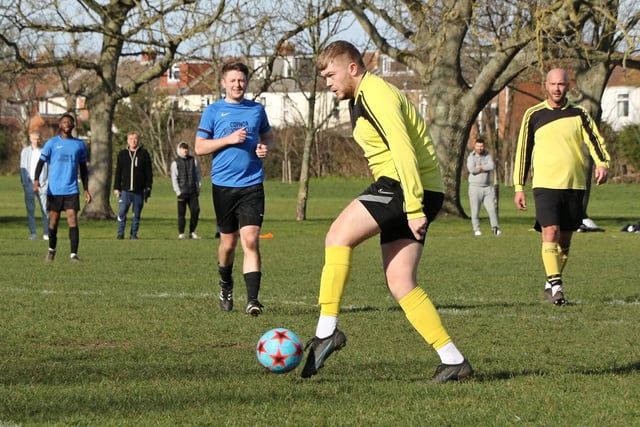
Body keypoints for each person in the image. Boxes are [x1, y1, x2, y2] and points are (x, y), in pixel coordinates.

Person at [300, 40, 473, 383]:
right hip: (418, 191)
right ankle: (453, 360)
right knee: (401, 282)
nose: (328, 82)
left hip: (403, 188)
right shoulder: (361, 97)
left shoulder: (376, 93)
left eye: (331, 75)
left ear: (353, 68)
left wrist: (412, 206)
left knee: (336, 236)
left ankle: (326, 332)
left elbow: (403, 150)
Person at [514, 68, 610, 305]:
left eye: (562, 84)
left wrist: (603, 163)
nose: (557, 88)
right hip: (545, 185)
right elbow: (522, 152)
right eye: (553, 84)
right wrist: (518, 186)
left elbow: (595, 141)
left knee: (564, 240)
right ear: (545, 85)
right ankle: (557, 287)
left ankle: (550, 282)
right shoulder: (533, 115)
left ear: (569, 86)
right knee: (550, 231)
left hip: (574, 185)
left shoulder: (580, 114)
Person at [195, 61, 275, 317]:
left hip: (252, 184)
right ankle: (225, 284)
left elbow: (268, 137)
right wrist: (228, 140)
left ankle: (253, 300)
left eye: (241, 80)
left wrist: (265, 148)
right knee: (228, 244)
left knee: (250, 240)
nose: (237, 85)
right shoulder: (213, 111)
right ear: (223, 83)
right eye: (233, 80)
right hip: (223, 186)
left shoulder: (256, 110)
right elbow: (199, 147)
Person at [33, 113, 91, 262]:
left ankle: (73, 255)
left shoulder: (79, 145)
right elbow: (40, 163)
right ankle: (51, 250)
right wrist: (36, 180)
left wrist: (86, 189)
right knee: (54, 221)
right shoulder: (52, 143)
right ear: (60, 125)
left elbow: (83, 169)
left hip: (71, 189)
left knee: (73, 219)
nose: (66, 124)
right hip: (54, 190)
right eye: (64, 122)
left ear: (73, 125)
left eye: (69, 122)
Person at [113, 131, 153, 240]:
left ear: (138, 140)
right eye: (131, 139)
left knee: (136, 214)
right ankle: (120, 233)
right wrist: (116, 187)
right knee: (122, 212)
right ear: (127, 140)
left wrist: (148, 187)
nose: (133, 141)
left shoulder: (144, 154)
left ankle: (133, 234)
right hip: (125, 190)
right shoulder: (122, 154)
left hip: (139, 191)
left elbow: (149, 172)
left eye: (135, 139)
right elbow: (118, 172)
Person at [466, 136, 501, 236]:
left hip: (487, 188)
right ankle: (476, 229)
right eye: (478, 146)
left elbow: (491, 166)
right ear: (475, 146)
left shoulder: (487, 155)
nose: (480, 148)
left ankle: (495, 228)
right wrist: (484, 168)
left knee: (492, 209)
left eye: (481, 146)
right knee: (475, 211)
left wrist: (480, 167)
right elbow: (472, 169)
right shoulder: (471, 157)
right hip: (474, 188)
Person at [20, 131, 49, 240]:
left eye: (38, 139)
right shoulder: (25, 152)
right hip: (29, 183)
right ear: (30, 139)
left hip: (43, 184)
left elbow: (49, 168)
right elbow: (22, 167)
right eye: (34, 139)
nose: (36, 141)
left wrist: (46, 183)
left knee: (45, 210)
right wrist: (25, 183)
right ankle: (33, 233)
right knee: (30, 210)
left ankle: (46, 233)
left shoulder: (44, 151)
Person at [170, 141, 202, 240]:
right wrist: (177, 191)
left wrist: (198, 187)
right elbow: (174, 178)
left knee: (195, 211)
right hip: (182, 192)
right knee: (181, 213)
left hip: (193, 191)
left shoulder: (193, 160)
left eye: (186, 148)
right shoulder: (175, 163)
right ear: (179, 150)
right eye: (183, 148)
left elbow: (197, 175)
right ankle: (181, 232)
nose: (185, 150)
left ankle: (192, 231)